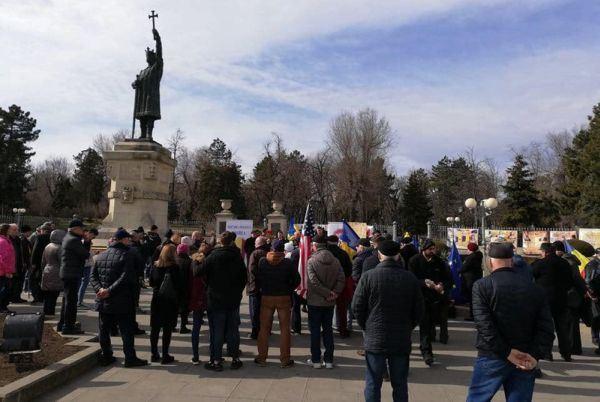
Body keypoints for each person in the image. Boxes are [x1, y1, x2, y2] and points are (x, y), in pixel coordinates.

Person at [467, 242, 555, 402]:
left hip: (492, 355)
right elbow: (547, 328)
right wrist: (535, 355)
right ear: (512, 261)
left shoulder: (482, 286)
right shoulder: (534, 288)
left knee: (477, 399)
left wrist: (506, 352)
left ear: (489, 262)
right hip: (525, 356)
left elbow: (484, 326)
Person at [352, 240, 424, 402]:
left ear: (379, 255)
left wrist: (367, 326)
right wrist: (408, 327)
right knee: (400, 384)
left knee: (372, 383)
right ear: (398, 256)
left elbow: (357, 307)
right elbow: (419, 310)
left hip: (375, 337)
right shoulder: (409, 278)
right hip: (400, 338)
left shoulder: (368, 277)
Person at [91, 229, 148, 367]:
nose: (129, 241)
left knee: (104, 330)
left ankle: (107, 355)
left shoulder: (101, 255)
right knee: (126, 331)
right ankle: (130, 358)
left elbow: (93, 277)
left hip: (104, 300)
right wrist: (108, 291)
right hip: (122, 299)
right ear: (122, 240)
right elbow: (126, 277)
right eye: (127, 239)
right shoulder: (127, 255)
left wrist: (100, 290)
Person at [199, 231, 247, 371]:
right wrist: (237, 291)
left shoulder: (213, 256)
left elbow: (199, 272)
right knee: (233, 330)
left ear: (221, 241)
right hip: (232, 298)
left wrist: (197, 263)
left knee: (217, 330)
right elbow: (243, 278)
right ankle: (234, 358)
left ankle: (216, 360)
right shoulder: (237, 256)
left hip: (216, 298)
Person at [254, 239, 301, 368]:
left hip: (267, 296)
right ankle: (285, 359)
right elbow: (297, 279)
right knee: (285, 329)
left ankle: (262, 357)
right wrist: (289, 288)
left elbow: (258, 277)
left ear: (272, 249)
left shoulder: (263, 261)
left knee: (264, 328)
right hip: (283, 297)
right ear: (282, 250)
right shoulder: (288, 262)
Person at [408, 239, 453, 366]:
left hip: (433, 300)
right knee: (408, 328)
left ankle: (427, 352)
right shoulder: (414, 261)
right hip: (417, 299)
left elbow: (448, 279)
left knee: (426, 327)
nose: (433, 251)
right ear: (424, 249)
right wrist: (424, 283)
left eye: (434, 249)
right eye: (430, 249)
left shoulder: (439, 262)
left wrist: (442, 285)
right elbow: (410, 279)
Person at [306, 234, 345, 369]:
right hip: (329, 302)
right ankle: (329, 360)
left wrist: (329, 293)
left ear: (315, 246)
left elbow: (313, 282)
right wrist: (333, 293)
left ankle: (316, 359)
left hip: (315, 302)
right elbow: (341, 279)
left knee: (315, 331)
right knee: (328, 330)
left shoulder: (311, 261)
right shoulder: (336, 261)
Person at [532, 242, 576, 361]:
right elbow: (570, 281)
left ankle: (547, 353)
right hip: (561, 299)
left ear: (545, 252)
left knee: (547, 328)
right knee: (562, 328)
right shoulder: (564, 263)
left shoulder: (540, 263)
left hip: (545, 300)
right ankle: (566, 353)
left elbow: (532, 275)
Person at [554, 240, 587, 355]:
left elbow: (577, 279)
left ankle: (573, 348)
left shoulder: (567, 262)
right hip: (572, 295)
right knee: (571, 323)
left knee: (570, 323)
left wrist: (584, 291)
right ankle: (574, 347)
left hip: (570, 295)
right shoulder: (569, 261)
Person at [149, 243, 180, 364]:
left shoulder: (155, 265)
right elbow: (179, 285)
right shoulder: (174, 267)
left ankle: (154, 353)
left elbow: (151, 282)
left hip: (156, 298)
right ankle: (165, 354)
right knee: (167, 329)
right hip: (170, 300)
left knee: (155, 328)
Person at [58, 219, 90, 334]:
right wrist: (87, 242)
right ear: (75, 229)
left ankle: (62, 324)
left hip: (68, 272)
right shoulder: (74, 240)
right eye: (82, 229)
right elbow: (85, 254)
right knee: (71, 301)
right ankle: (68, 326)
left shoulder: (68, 237)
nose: (84, 231)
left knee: (67, 300)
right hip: (71, 273)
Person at [327, 235, 353, 338]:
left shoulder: (326, 254)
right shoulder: (343, 254)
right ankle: (343, 330)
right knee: (342, 309)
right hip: (341, 285)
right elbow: (349, 271)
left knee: (327, 309)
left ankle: (327, 330)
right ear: (337, 242)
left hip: (327, 285)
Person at [189, 243, 210, 364]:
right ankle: (214, 354)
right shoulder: (208, 264)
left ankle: (195, 356)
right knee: (214, 327)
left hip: (196, 298)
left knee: (196, 328)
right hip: (207, 297)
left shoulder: (192, 263)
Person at [246, 236, 269, 339]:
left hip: (255, 287)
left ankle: (255, 332)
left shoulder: (255, 253)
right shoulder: (269, 252)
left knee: (254, 311)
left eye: (255, 242)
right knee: (264, 311)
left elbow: (252, 270)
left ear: (258, 244)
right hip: (266, 287)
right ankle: (265, 330)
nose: (254, 244)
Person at [41, 230, 66, 316]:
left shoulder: (48, 246)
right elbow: (62, 262)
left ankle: (46, 311)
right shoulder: (60, 248)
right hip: (56, 272)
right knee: (53, 295)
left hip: (47, 270)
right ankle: (50, 312)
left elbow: (43, 261)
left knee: (47, 294)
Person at [30, 222, 53, 303]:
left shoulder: (40, 237)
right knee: (46, 280)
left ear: (43, 230)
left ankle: (37, 297)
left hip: (39, 262)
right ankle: (43, 297)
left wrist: (33, 263)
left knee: (35, 280)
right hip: (50, 263)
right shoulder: (53, 238)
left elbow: (35, 251)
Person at [460, 242, 483, 321]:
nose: (467, 250)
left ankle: (472, 316)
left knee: (471, 299)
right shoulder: (479, 256)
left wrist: (458, 271)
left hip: (470, 280)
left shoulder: (471, 257)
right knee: (474, 298)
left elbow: (464, 267)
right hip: (476, 279)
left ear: (470, 250)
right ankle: (474, 315)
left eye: (468, 248)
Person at [584, 248, 600, 354]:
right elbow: (588, 281)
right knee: (597, 318)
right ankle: (597, 340)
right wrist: (593, 295)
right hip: (597, 296)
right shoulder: (593, 264)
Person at [77, 228, 98, 307]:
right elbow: (85, 254)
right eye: (93, 236)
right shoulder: (83, 241)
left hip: (86, 265)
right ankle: (79, 301)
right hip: (85, 265)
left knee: (83, 283)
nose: (93, 238)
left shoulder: (87, 241)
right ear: (90, 233)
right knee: (82, 283)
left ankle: (79, 301)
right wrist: (93, 254)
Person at [12, 225, 32, 303]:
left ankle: (17, 296)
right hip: (22, 263)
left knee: (20, 281)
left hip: (23, 263)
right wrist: (25, 262)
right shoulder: (23, 240)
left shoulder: (22, 239)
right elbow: (23, 253)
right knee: (18, 281)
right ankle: (16, 297)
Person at [175, 243, 192, 334]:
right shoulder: (189, 261)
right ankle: (183, 325)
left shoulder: (174, 260)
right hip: (185, 287)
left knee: (174, 306)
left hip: (175, 287)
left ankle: (173, 325)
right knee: (184, 308)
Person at [0, 223, 16, 313]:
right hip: (3, 271)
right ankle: (2, 308)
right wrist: (7, 271)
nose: (11, 230)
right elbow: (3, 258)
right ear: (6, 230)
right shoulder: (3, 241)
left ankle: (3, 307)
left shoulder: (6, 240)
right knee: (4, 290)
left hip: (5, 270)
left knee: (6, 290)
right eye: (10, 229)